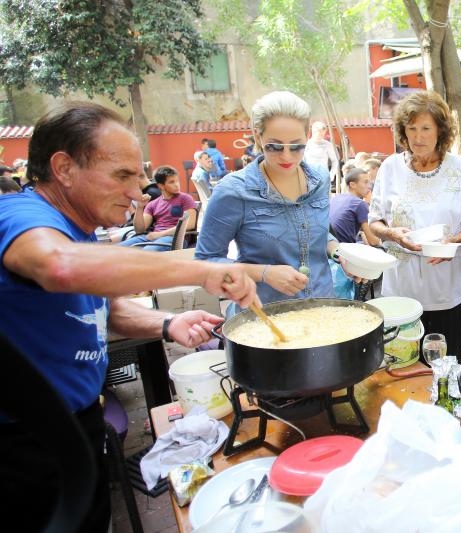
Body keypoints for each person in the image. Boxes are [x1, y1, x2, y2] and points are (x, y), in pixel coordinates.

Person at [0, 102, 258, 532]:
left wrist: (165, 325)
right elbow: (59, 267)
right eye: (122, 175)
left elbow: (99, 308)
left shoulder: (76, 228)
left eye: (139, 176)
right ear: (63, 167)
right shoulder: (20, 216)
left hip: (77, 425)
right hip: (20, 445)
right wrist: (203, 270)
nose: (139, 192)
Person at [196, 91, 352, 308]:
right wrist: (265, 273)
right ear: (258, 136)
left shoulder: (320, 179)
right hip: (265, 317)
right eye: (274, 146)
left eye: (296, 146)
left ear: (308, 135)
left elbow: (311, 231)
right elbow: (205, 262)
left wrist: (338, 252)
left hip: (321, 307)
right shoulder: (233, 191)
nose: (287, 156)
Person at [369, 90, 461, 363]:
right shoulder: (390, 168)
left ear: (440, 131)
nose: (418, 137)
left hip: (447, 289)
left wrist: (451, 243)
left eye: (426, 128)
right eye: (412, 129)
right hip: (401, 288)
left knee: (446, 365)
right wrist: (392, 233)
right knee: (403, 368)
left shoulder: (459, 167)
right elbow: (375, 221)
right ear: (403, 131)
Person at [119, 165, 197, 251]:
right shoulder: (153, 204)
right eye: (172, 182)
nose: (176, 185)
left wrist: (160, 234)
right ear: (161, 186)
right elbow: (139, 230)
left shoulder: (185, 198)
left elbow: (190, 224)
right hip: (153, 237)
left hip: (175, 238)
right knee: (118, 249)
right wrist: (140, 207)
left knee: (146, 252)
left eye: (177, 181)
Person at [330, 168, 380, 245]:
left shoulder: (336, 198)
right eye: (365, 182)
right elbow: (373, 242)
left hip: (328, 245)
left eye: (369, 183)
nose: (369, 186)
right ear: (352, 185)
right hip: (343, 250)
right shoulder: (359, 204)